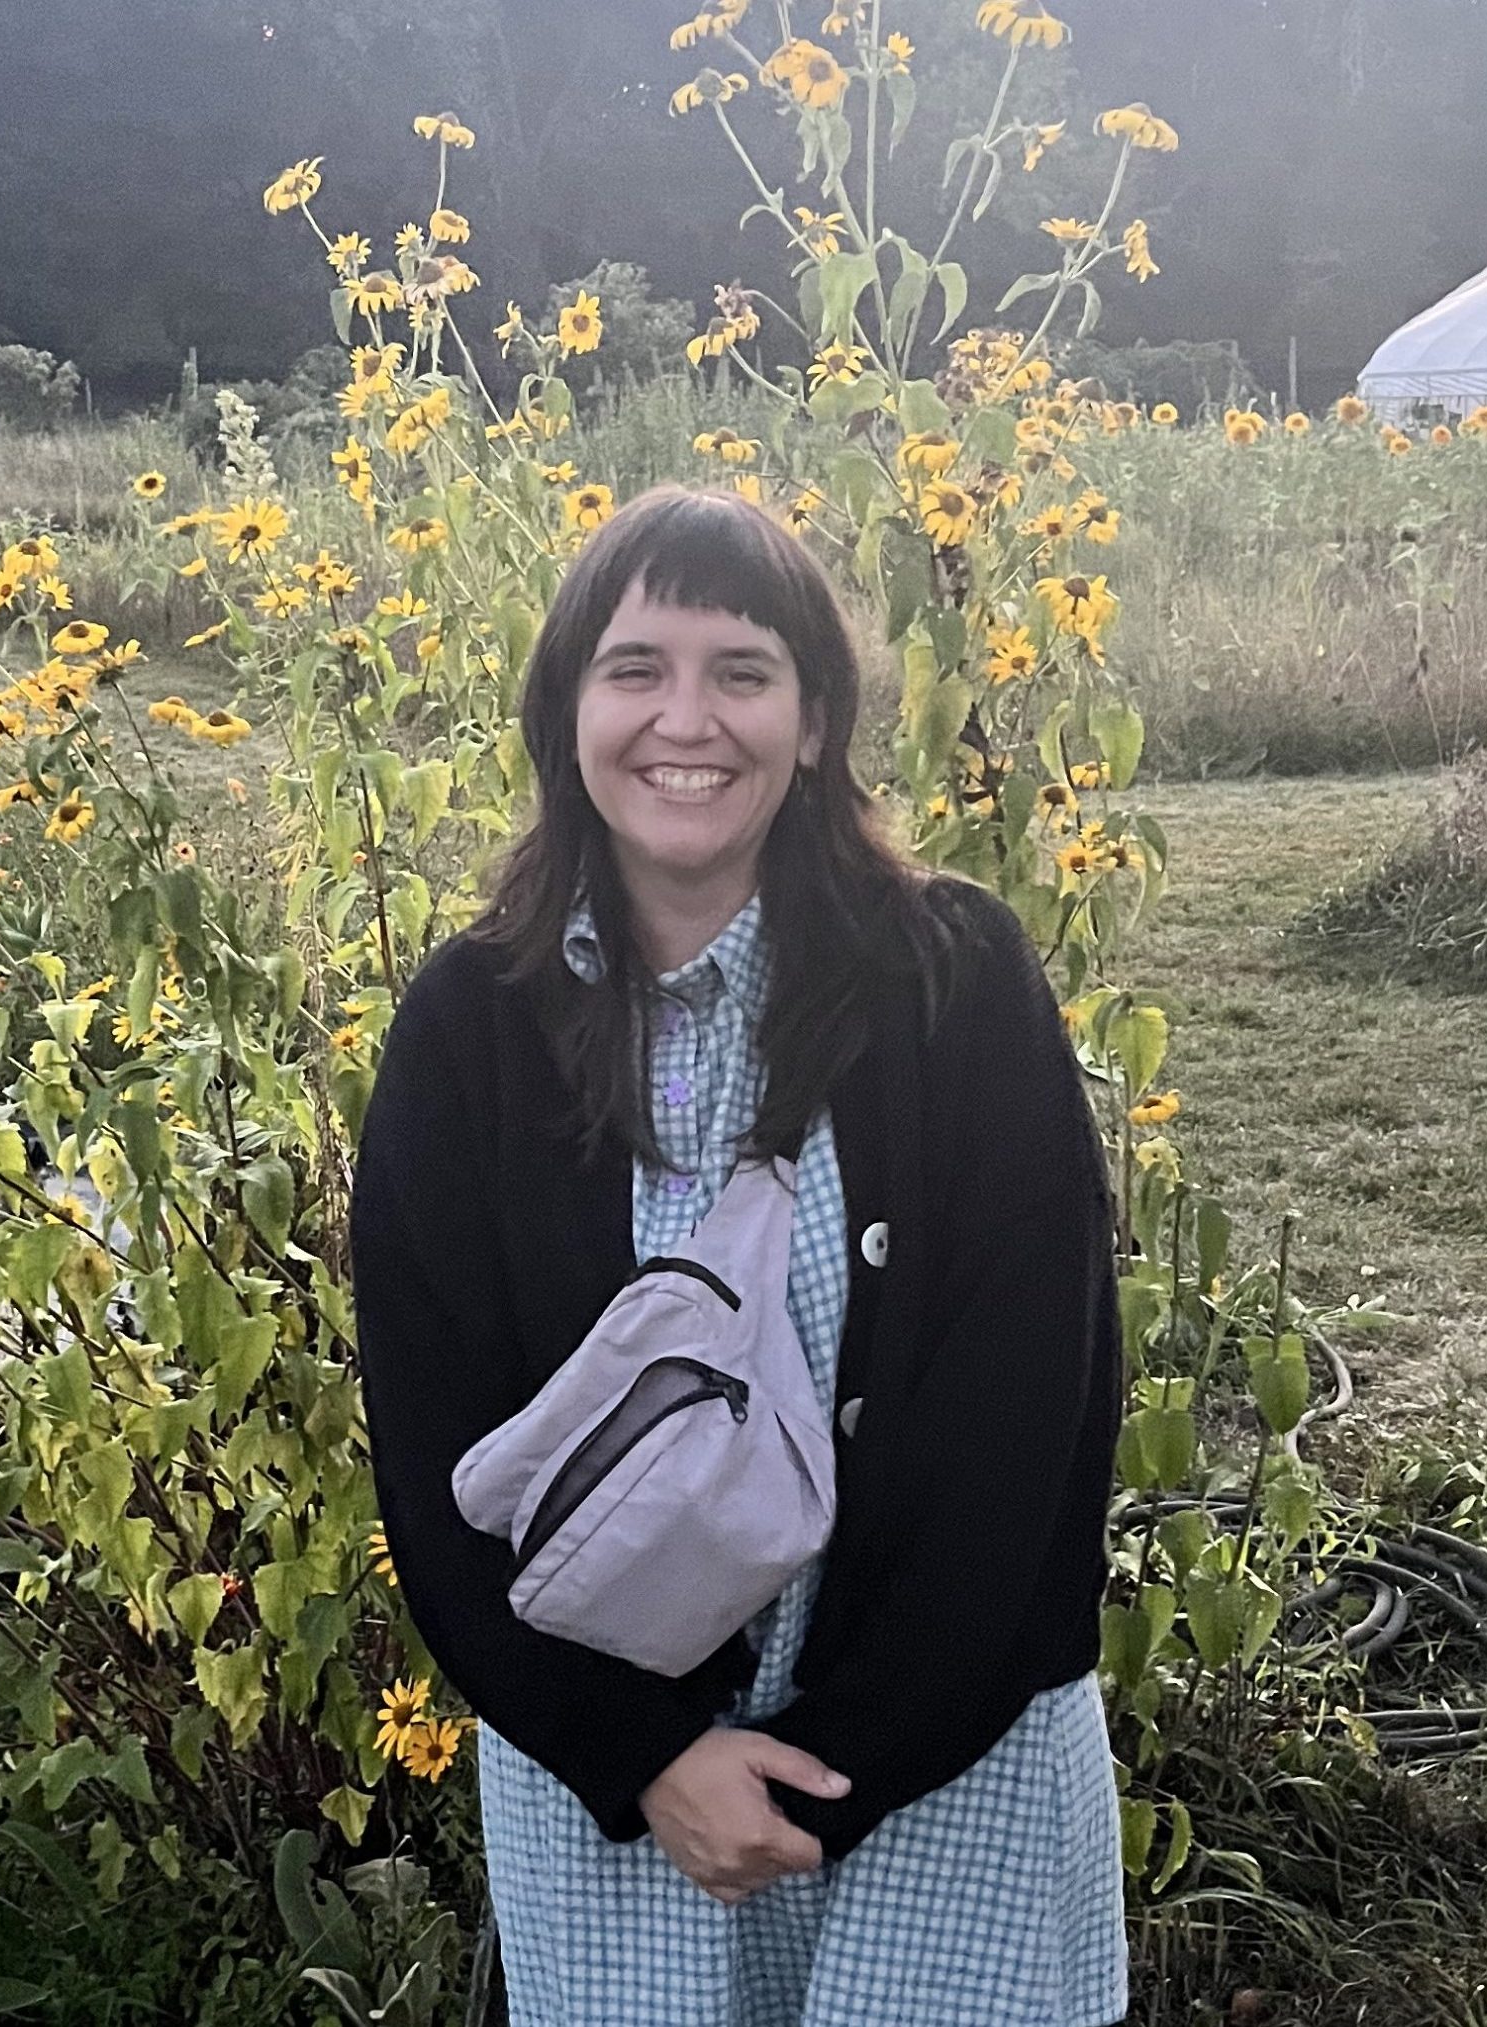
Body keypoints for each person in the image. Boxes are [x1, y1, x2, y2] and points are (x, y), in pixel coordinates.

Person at [351, 483, 1129, 2025]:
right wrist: (648, 1760)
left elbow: (1034, 1415)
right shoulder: (470, 1029)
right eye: (633, 668)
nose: (683, 720)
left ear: (818, 720)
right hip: (627, 1789)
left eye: (742, 671)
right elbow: (439, 1457)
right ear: (566, 713)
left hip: (946, 1768)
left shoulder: (956, 986)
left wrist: (841, 1772)